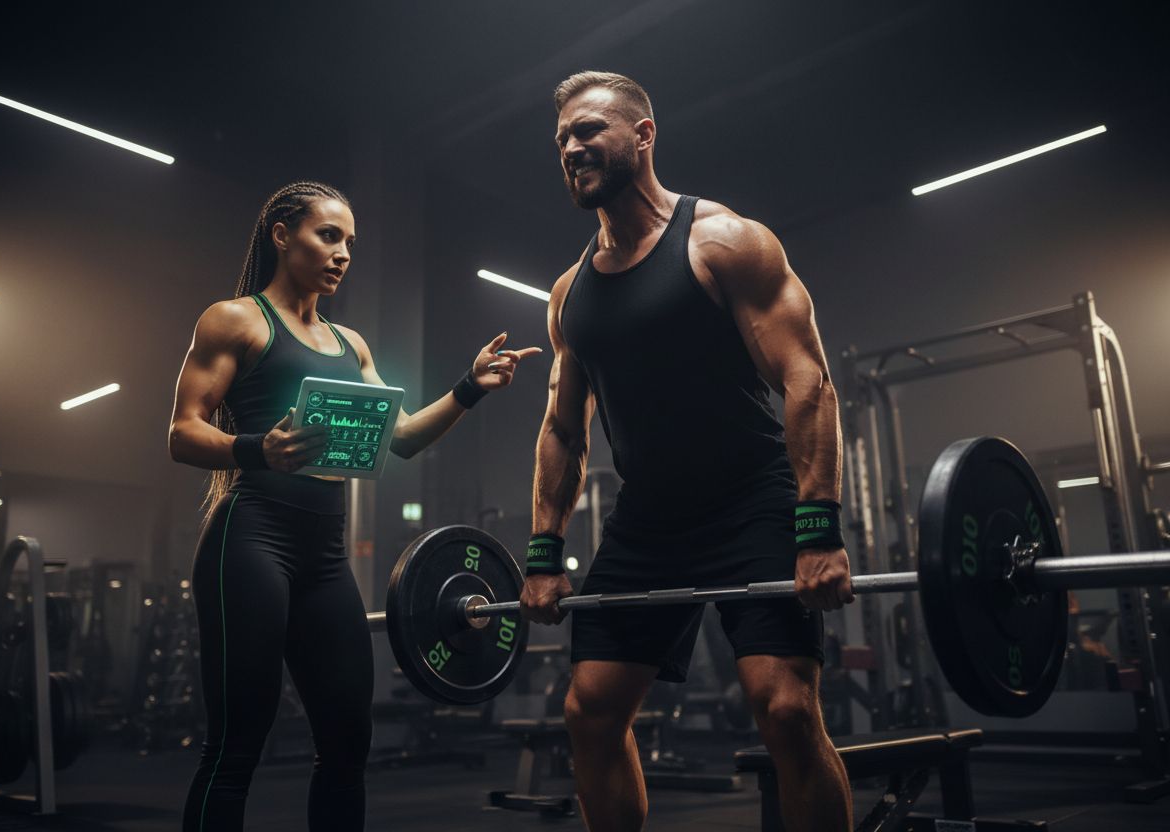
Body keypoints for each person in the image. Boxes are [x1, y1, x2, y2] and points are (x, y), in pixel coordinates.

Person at [519, 72, 855, 831]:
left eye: (589, 130)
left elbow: (806, 378)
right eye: (562, 139)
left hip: (752, 499)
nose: (571, 148)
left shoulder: (725, 242)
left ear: (643, 135)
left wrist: (818, 529)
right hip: (648, 520)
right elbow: (563, 429)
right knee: (589, 712)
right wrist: (542, 553)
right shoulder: (569, 293)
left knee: (786, 708)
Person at [168, 180, 540, 831]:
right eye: (328, 235)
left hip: (324, 557)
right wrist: (257, 449)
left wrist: (470, 386)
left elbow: (403, 439)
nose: (343, 253)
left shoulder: (351, 344)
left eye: (350, 242)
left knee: (347, 746)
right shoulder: (234, 320)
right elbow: (182, 433)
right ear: (282, 235)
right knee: (237, 745)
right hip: (250, 541)